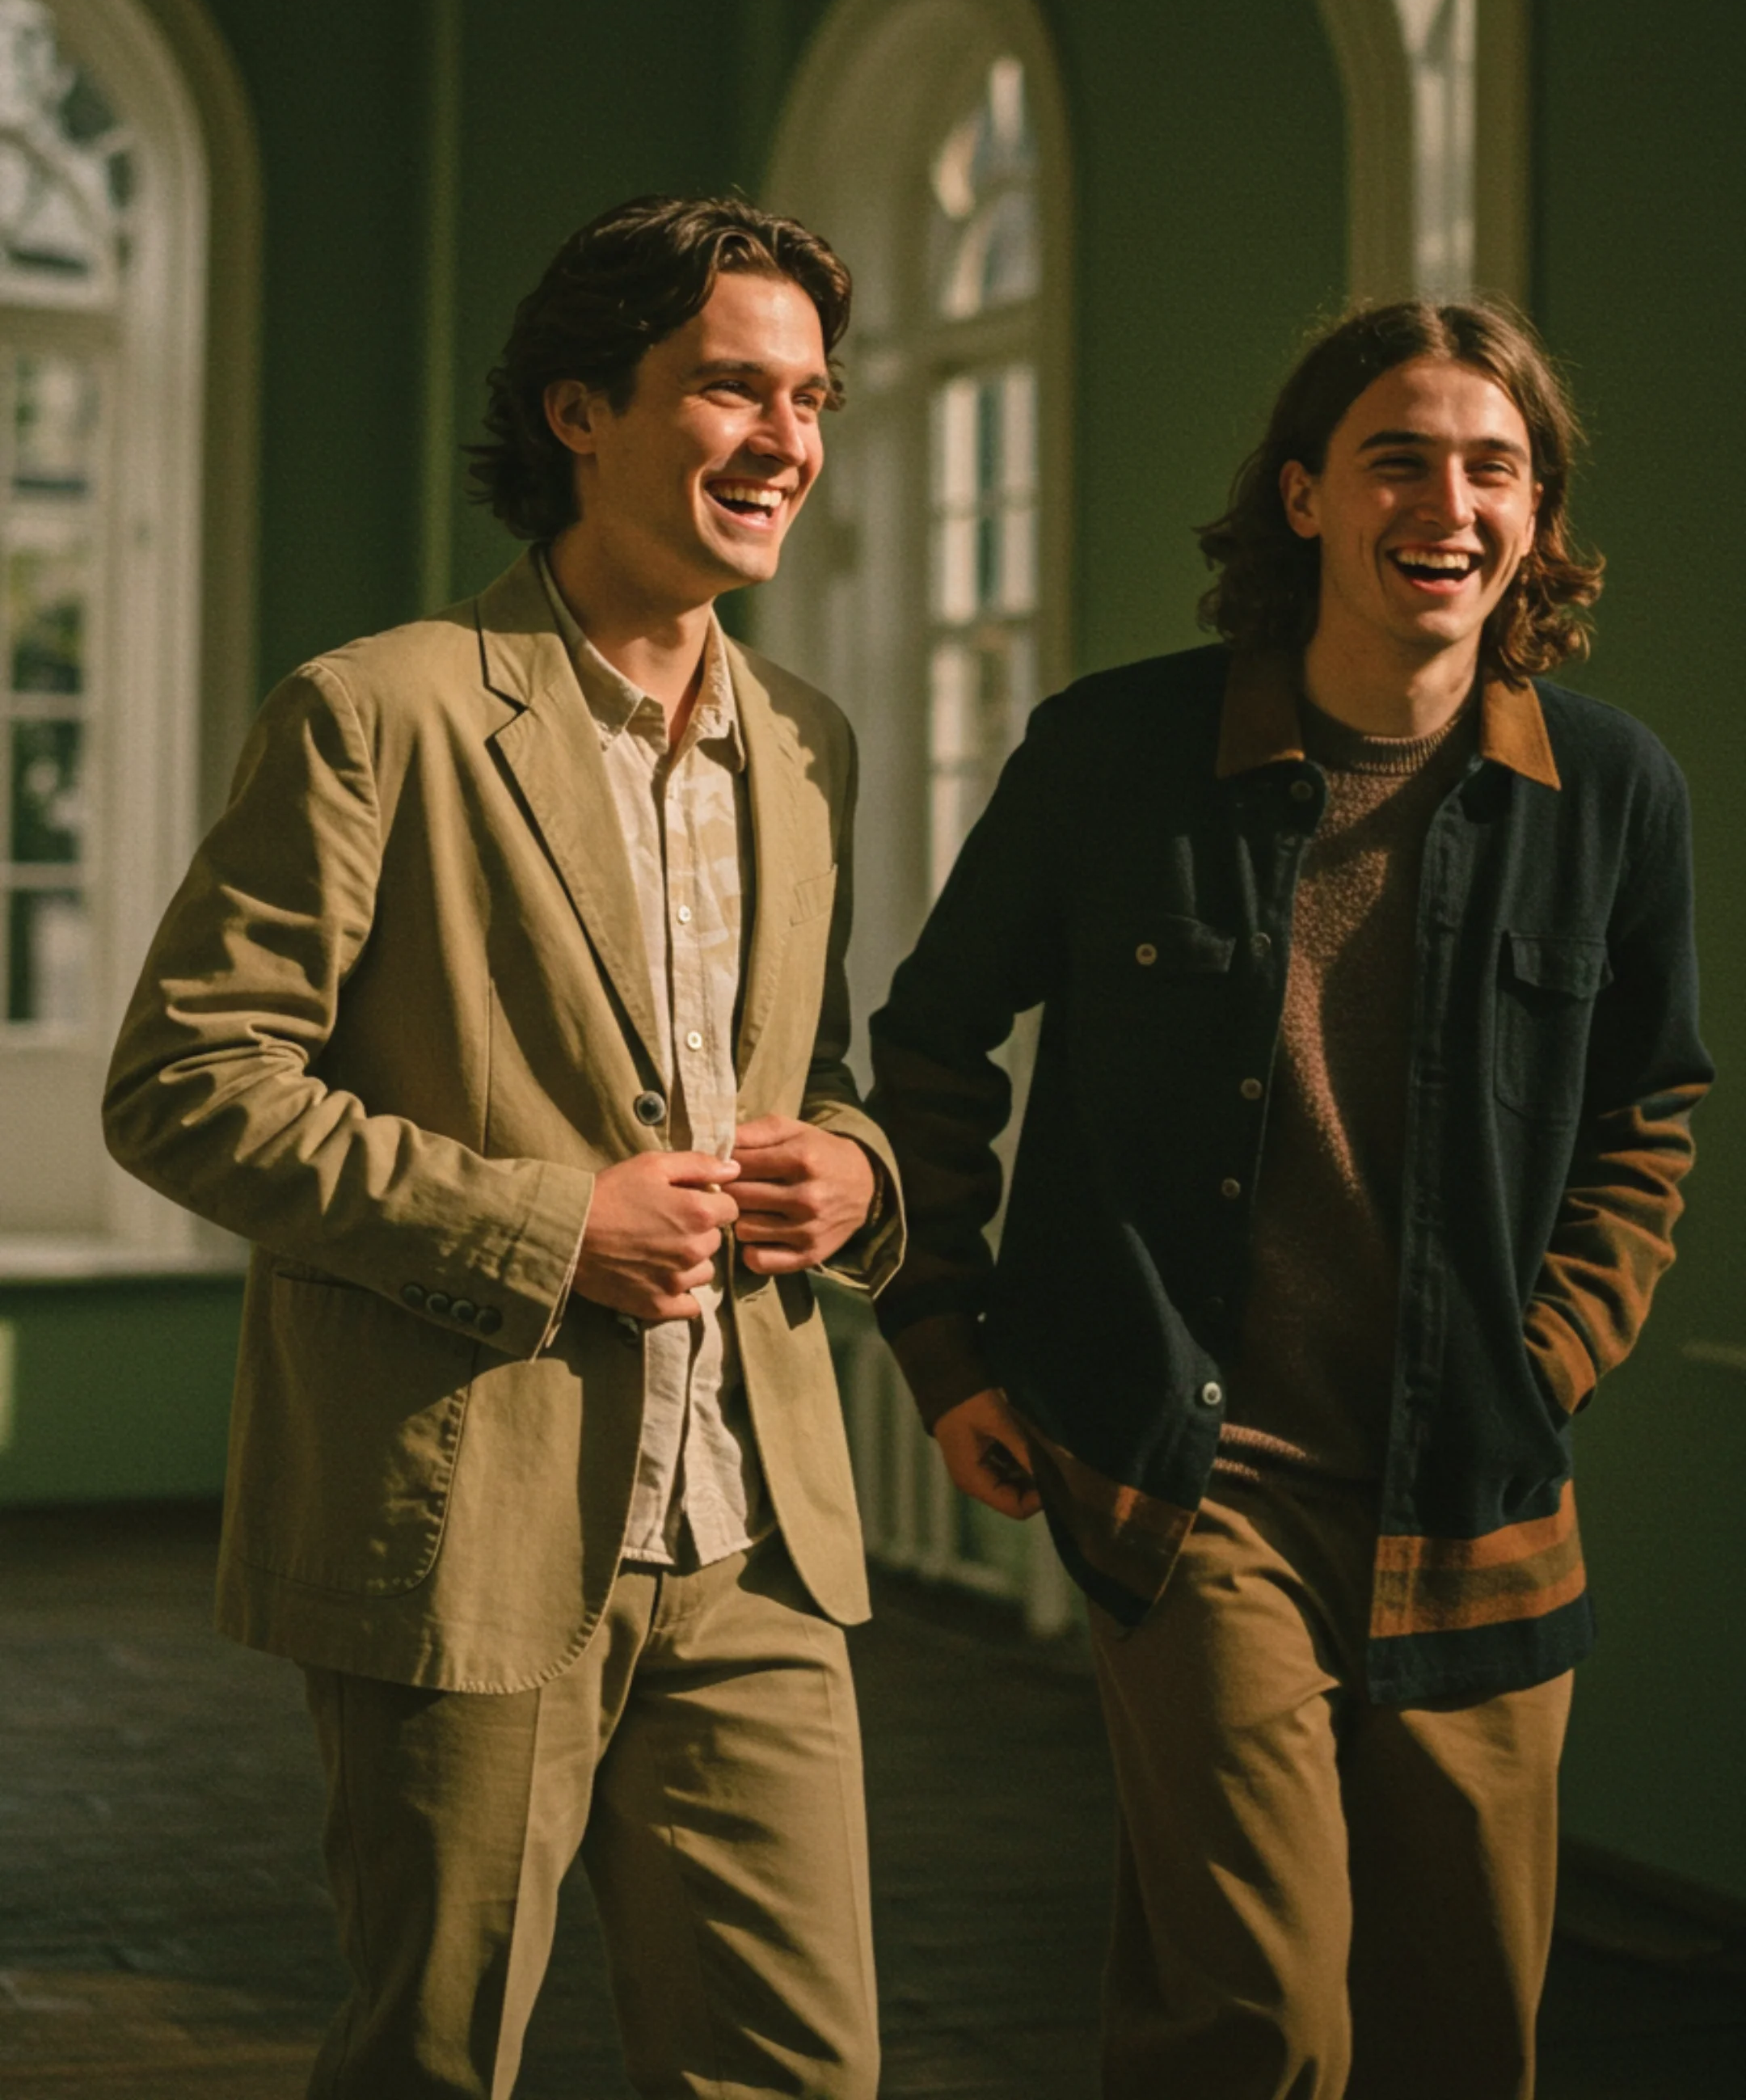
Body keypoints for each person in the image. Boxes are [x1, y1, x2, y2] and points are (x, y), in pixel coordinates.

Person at [103, 195, 900, 2100]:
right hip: (471, 1527)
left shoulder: (807, 743)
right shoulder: (378, 715)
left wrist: (858, 1175)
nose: (786, 437)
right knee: (435, 2061)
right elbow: (186, 1082)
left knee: (810, 2073)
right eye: (730, 388)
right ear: (580, 410)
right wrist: (552, 1226)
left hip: (757, 1540)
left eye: (812, 397)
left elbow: (826, 1066)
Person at [867, 298, 1710, 2100]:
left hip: (1476, 1493)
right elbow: (935, 1043)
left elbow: (1650, 1114)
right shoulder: (1112, 755)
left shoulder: (1615, 792)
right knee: (1258, 2021)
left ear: (1539, 520)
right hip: (1193, 1483)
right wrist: (945, 1340)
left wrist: (1550, 1349)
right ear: (1306, 495)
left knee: (1464, 2037)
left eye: (1499, 467)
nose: (1452, 500)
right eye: (1400, 456)